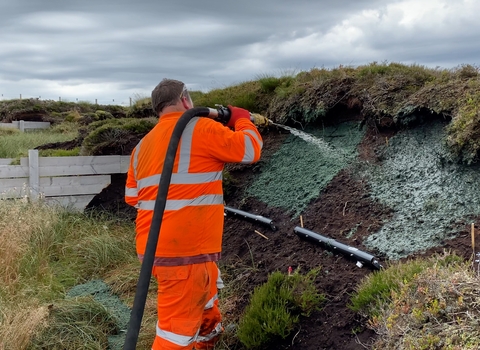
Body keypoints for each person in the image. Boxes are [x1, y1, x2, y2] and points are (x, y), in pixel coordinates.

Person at [125, 78, 264, 349]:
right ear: (186, 99)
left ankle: (206, 343)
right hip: (185, 253)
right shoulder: (200, 127)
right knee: (175, 334)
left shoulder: (142, 145)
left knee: (206, 300)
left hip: (158, 249)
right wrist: (243, 119)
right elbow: (250, 149)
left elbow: (132, 198)